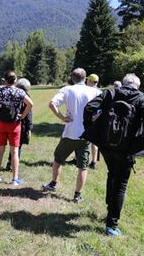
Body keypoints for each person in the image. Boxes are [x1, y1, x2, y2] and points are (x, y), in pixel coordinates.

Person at [82, 73, 144, 237]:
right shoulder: (142, 98)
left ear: (124, 83)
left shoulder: (111, 93)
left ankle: (109, 209)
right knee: (120, 183)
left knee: (112, 174)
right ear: (137, 86)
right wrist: (143, 141)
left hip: (106, 146)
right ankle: (111, 225)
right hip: (127, 149)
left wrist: (92, 128)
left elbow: (89, 108)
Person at [41, 68, 100, 203]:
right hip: (86, 135)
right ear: (85, 79)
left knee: (58, 159)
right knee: (83, 166)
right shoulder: (95, 91)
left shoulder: (67, 90)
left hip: (70, 133)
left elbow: (52, 104)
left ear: (72, 78)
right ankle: (77, 195)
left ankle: (53, 184)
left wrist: (62, 117)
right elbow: (102, 110)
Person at [0, 71, 33, 186]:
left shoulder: (0, 91)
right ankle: (15, 179)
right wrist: (23, 115)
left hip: (1, 123)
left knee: (0, 150)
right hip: (15, 124)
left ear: (5, 80)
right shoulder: (19, 92)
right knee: (14, 151)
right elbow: (30, 104)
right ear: (15, 80)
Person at [6, 78, 33, 172]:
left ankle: (10, 163)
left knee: (13, 145)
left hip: (10, 122)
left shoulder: (12, 94)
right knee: (18, 146)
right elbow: (29, 113)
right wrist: (30, 128)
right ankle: (13, 165)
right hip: (21, 124)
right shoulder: (25, 96)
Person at [86, 74, 102, 170]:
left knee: (82, 138)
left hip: (89, 117)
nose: (86, 81)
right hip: (97, 118)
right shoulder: (100, 92)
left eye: (88, 80)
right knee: (94, 141)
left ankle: (77, 159)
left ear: (91, 81)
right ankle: (94, 162)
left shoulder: (87, 91)